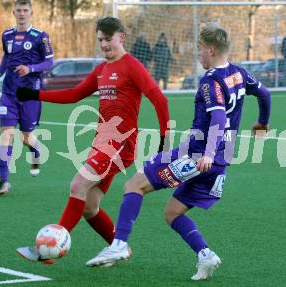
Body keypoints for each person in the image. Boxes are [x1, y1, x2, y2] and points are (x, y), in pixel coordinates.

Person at [86, 22, 271, 281]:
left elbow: (217, 118)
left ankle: (118, 245)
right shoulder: (240, 74)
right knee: (172, 212)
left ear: (211, 50)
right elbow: (264, 93)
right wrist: (262, 122)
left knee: (134, 185)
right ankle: (206, 256)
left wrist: (206, 152)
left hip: (197, 156)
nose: (198, 53)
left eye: (200, 49)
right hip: (221, 161)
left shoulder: (210, 82)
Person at [15, 17, 170, 264]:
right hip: (103, 143)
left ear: (121, 37)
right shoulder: (101, 70)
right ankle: (119, 247)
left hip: (120, 143)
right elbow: (75, 94)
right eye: (100, 40)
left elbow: (160, 100)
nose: (104, 45)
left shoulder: (132, 66)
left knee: (78, 185)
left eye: (108, 39)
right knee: (89, 206)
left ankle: (48, 250)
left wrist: (164, 138)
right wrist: (35, 94)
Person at [0, 0, 54, 196]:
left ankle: (36, 152)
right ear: (14, 12)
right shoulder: (7, 34)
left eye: (25, 10)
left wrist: (31, 69)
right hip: (9, 93)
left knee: (27, 136)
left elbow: (50, 62)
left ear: (31, 12)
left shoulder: (41, 37)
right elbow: (6, 56)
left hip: (30, 94)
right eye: (18, 10)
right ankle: (4, 181)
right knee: (6, 134)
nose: (21, 13)